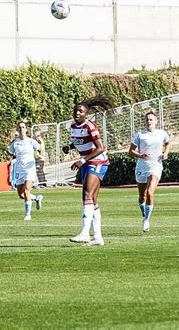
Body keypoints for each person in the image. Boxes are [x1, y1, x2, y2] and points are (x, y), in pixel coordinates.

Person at [68, 97, 113, 246]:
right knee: (91, 200)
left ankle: (85, 233)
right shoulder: (73, 127)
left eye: (80, 111)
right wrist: (70, 147)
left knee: (87, 195)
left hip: (98, 161)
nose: (77, 113)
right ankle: (98, 238)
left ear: (86, 114)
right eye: (76, 110)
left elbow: (100, 147)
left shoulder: (90, 126)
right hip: (88, 162)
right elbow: (81, 141)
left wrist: (82, 160)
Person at [128, 111, 170, 232]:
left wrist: (165, 153)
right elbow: (130, 151)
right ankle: (144, 213)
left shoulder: (161, 133)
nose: (149, 121)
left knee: (150, 192)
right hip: (142, 167)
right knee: (142, 196)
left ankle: (146, 220)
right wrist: (141, 155)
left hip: (155, 167)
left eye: (151, 119)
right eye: (147, 120)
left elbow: (168, 143)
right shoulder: (140, 135)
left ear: (156, 121)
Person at [7, 122, 44, 221]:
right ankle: (36, 198)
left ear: (26, 130)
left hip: (29, 169)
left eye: (23, 127)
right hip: (20, 170)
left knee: (27, 191)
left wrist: (40, 156)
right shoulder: (15, 143)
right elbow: (10, 152)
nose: (21, 129)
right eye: (19, 127)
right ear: (17, 130)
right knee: (21, 195)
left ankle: (28, 215)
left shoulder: (31, 141)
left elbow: (40, 148)